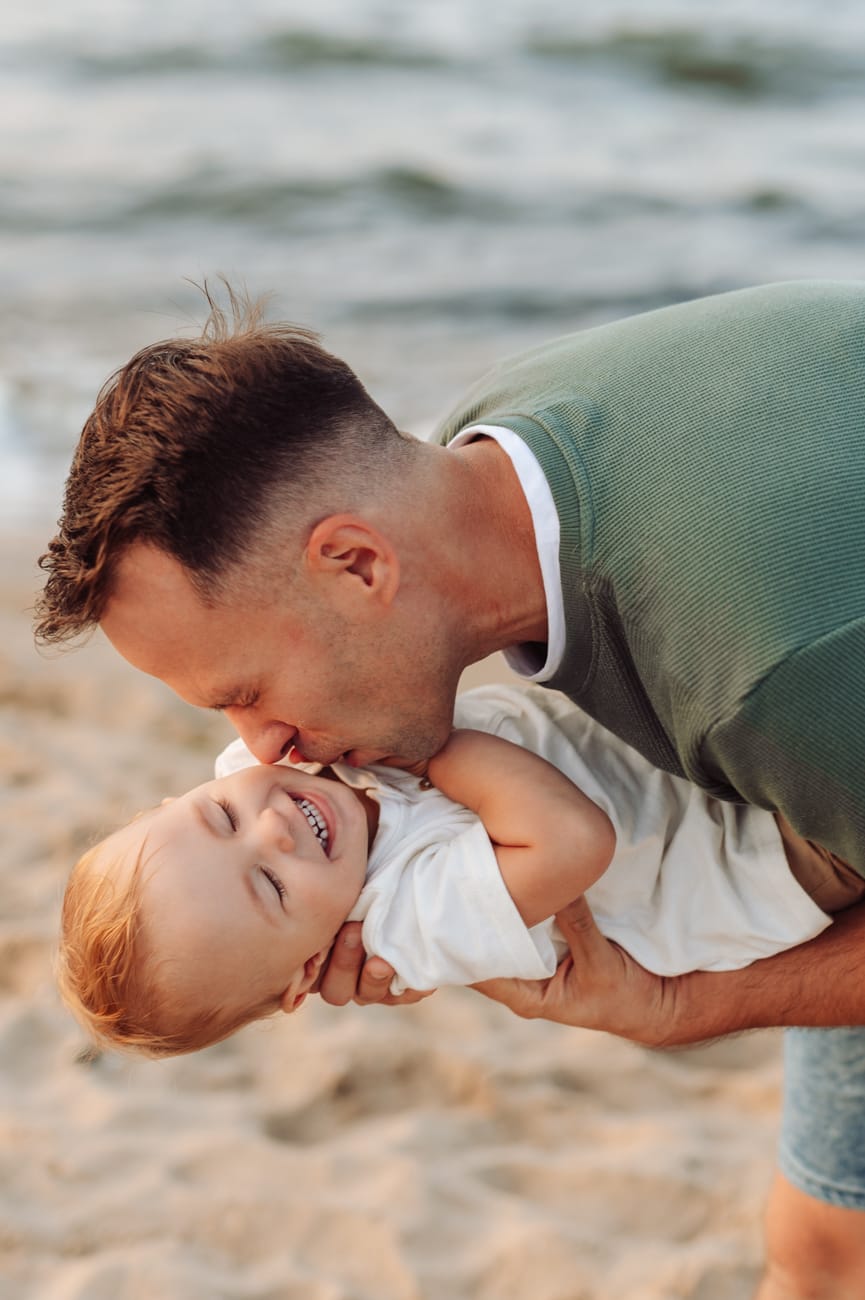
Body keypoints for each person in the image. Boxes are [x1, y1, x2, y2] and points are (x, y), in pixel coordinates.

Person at [35, 280, 865, 1298]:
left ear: (354, 562)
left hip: (812, 789)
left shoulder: (766, 679)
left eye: (248, 692)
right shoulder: (492, 439)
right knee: (822, 1247)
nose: (264, 749)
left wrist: (683, 1007)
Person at [58, 682, 856, 1057]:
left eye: (218, 816)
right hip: (764, 851)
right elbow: (572, 842)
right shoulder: (410, 923)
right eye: (268, 887)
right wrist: (419, 740)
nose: (270, 829)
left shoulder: (269, 768)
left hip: (684, 745)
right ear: (308, 971)